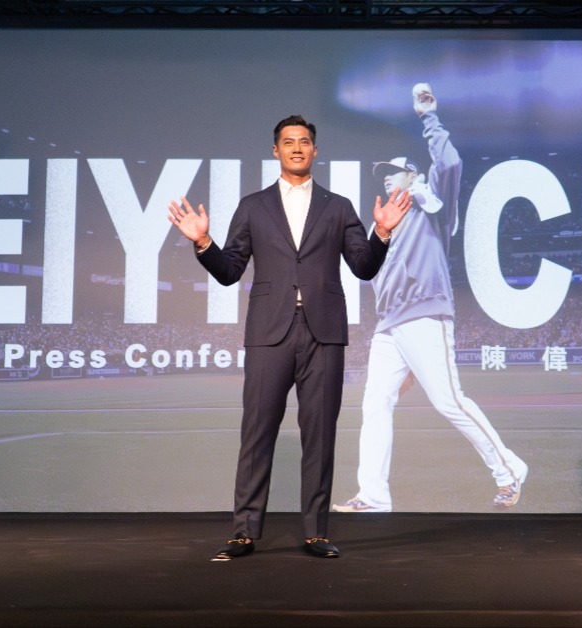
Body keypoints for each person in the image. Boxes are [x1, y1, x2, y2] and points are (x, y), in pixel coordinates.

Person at [167, 115, 411, 559]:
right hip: (269, 332)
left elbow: (363, 266)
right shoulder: (253, 206)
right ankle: (244, 531)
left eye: (304, 141)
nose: (296, 148)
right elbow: (230, 271)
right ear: (275, 150)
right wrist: (203, 243)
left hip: (324, 333)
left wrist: (381, 233)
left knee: (320, 435)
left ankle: (316, 532)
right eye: (288, 142)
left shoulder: (338, 207)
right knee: (257, 431)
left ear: (315, 151)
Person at [332, 84, 528, 514]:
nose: (386, 176)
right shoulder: (385, 222)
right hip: (389, 325)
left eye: (394, 171)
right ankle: (373, 495)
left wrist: (429, 118)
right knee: (375, 404)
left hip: (424, 316)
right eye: (383, 173)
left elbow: (450, 163)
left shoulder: (433, 209)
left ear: (414, 175)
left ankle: (509, 469)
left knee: (449, 401)